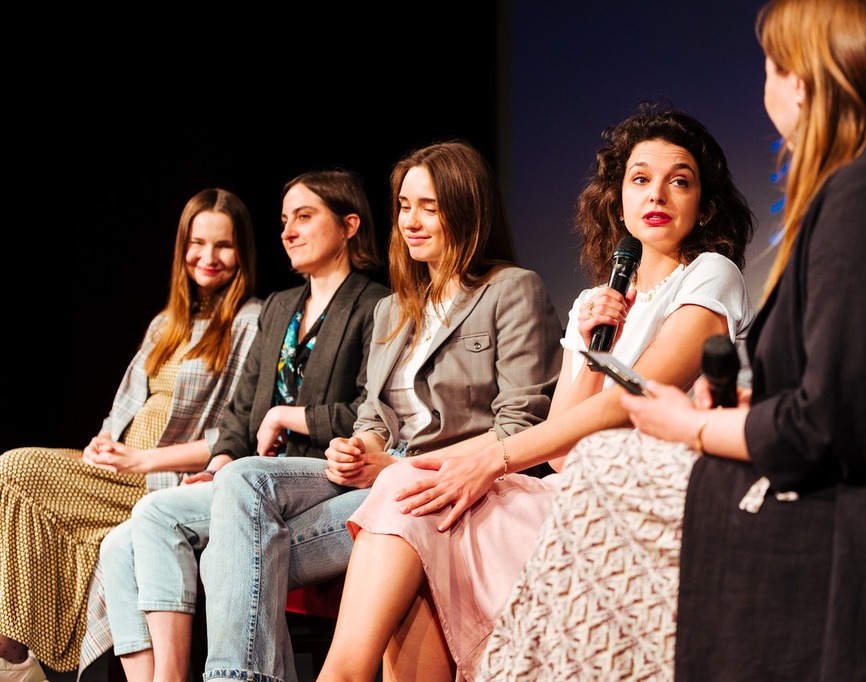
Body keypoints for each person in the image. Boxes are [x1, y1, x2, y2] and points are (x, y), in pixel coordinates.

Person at [527, 1, 866, 680]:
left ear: (802, 82)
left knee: (604, 474)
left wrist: (691, 427)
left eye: (769, 67)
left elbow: (831, 426)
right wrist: (747, 408)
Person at [320, 102, 756, 682]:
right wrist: (591, 346)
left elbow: (631, 401)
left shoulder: (710, 275)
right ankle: (342, 673)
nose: (657, 195)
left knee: (419, 497)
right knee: (411, 493)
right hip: (578, 490)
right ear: (617, 201)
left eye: (679, 181)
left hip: (651, 500)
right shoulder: (598, 302)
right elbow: (562, 452)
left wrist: (491, 460)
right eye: (640, 179)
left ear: (703, 203)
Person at [199, 139, 563, 682]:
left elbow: (520, 425)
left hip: (445, 482)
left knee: (224, 556)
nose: (410, 222)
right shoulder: (394, 307)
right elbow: (372, 418)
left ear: (466, 210)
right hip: (383, 474)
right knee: (241, 480)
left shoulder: (510, 289)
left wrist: (395, 466)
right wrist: (356, 448)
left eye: (429, 208)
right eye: (404, 207)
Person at [91, 169, 389, 682]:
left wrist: (289, 416)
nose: (288, 231)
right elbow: (238, 413)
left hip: (319, 476)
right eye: (284, 220)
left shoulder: (375, 304)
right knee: (119, 544)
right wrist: (221, 462)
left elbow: (371, 410)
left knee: (157, 513)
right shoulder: (279, 307)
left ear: (349, 225)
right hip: (250, 478)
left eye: (304, 217)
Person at [0, 188, 262, 681]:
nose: (208, 257)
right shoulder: (167, 322)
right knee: (13, 487)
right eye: (197, 243)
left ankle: (16, 656)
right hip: (118, 468)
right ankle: (12, 646)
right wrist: (103, 444)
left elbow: (233, 436)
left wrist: (141, 461)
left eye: (223, 245)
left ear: (242, 251)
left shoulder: (250, 322)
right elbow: (126, 406)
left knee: (14, 468)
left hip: (161, 480)